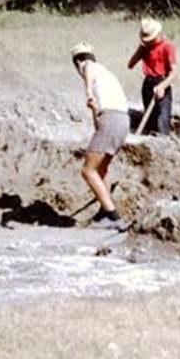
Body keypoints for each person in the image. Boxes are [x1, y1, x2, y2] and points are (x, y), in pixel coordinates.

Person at [72, 43, 130, 228]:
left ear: (78, 62)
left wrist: (88, 90)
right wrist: (93, 106)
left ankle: (113, 217)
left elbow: (87, 67)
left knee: (88, 170)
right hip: (122, 121)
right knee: (101, 168)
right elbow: (98, 122)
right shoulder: (105, 75)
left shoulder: (89, 67)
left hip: (112, 119)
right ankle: (103, 212)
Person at [127, 18, 178, 135]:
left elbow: (174, 73)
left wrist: (162, 86)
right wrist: (140, 50)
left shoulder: (167, 46)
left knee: (162, 120)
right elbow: (130, 65)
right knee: (150, 119)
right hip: (148, 83)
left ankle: (163, 140)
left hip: (162, 82)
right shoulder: (145, 47)